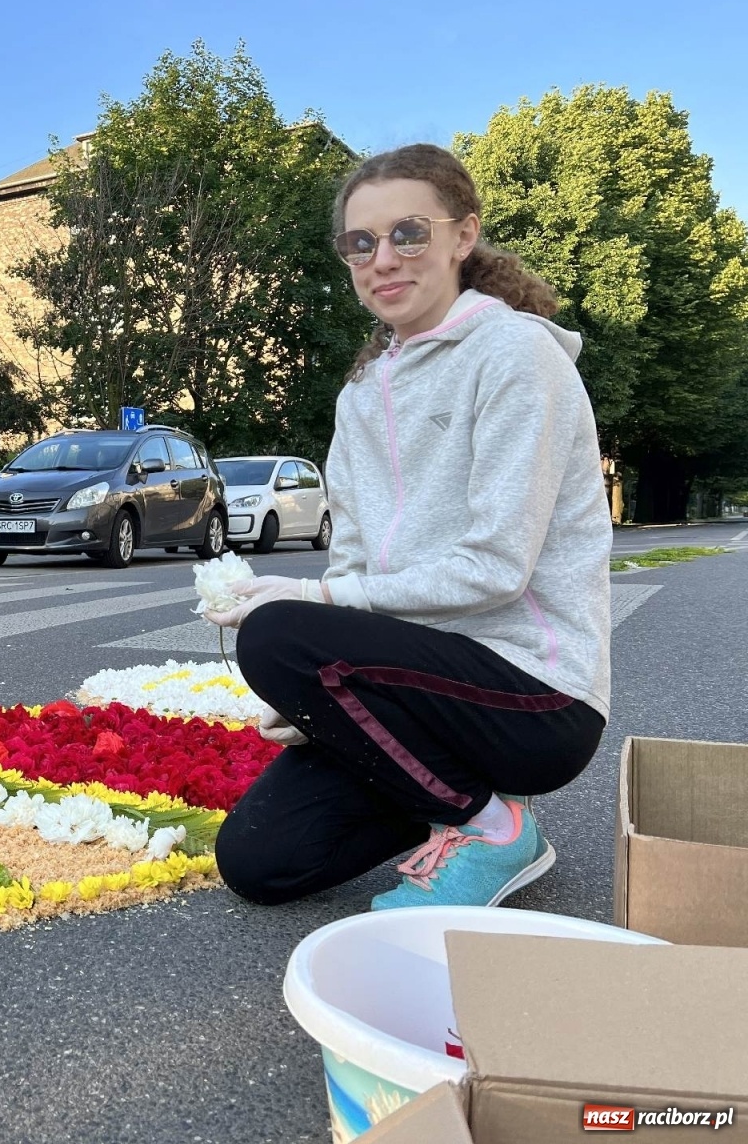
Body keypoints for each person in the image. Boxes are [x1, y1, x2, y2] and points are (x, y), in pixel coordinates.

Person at [207, 144, 611, 910]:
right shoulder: (361, 393)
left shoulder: (517, 355)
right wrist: (322, 701)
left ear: (463, 235)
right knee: (261, 861)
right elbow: (355, 557)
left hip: (535, 696)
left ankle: (494, 827)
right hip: (425, 685)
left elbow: (496, 568)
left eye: (408, 234)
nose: (382, 258)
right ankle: (450, 792)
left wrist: (316, 618)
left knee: (275, 631)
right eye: (361, 243)